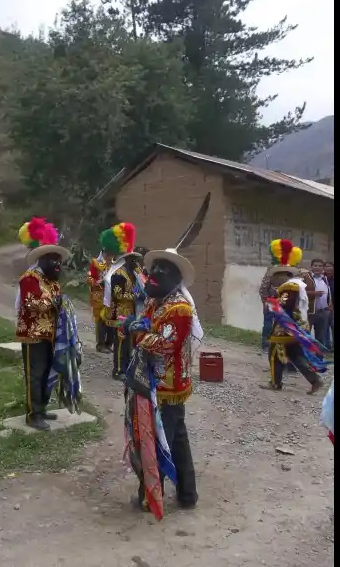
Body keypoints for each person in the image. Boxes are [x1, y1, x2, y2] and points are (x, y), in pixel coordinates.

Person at [118, 191, 210, 521]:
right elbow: (148, 324)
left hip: (167, 386)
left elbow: (164, 344)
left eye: (159, 272)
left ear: (174, 279)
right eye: (151, 269)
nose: (151, 276)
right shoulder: (160, 302)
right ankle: (187, 494)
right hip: (159, 382)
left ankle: (150, 495)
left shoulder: (180, 308)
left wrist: (137, 331)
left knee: (158, 439)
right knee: (175, 437)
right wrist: (136, 323)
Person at [15, 217, 70, 431]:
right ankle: (32, 414)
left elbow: (59, 302)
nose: (57, 263)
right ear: (43, 259)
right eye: (53, 259)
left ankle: (42, 407)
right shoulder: (29, 278)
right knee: (35, 374)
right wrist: (53, 303)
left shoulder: (51, 281)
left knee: (48, 372)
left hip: (51, 335)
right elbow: (31, 304)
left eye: (59, 259)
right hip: (33, 335)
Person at [266, 275, 328, 394]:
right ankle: (315, 380)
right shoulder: (299, 287)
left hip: (285, 329)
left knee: (274, 355)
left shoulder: (289, 287)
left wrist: (272, 300)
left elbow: (285, 303)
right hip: (296, 328)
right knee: (296, 356)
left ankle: (275, 383)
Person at [99, 223, 146, 380]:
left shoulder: (133, 273)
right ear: (127, 260)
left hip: (130, 313)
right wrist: (135, 295)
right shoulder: (118, 274)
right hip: (119, 314)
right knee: (120, 342)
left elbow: (137, 289)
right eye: (133, 259)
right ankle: (118, 370)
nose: (136, 263)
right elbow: (118, 294)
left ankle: (127, 368)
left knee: (129, 343)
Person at [88, 238, 117, 354]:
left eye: (111, 254)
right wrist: (98, 282)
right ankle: (100, 345)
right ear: (103, 252)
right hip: (99, 296)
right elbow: (89, 278)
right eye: (107, 254)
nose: (109, 257)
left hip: (112, 297)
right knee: (100, 320)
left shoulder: (115, 266)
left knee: (111, 320)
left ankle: (109, 344)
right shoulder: (95, 263)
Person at [307, 259, 332, 349]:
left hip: (323, 312)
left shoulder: (324, 278)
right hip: (309, 312)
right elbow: (299, 292)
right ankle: (306, 358)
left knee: (320, 338)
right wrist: (314, 293)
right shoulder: (306, 277)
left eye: (320, 266)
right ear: (311, 267)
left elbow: (328, 292)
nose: (317, 267)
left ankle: (319, 358)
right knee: (306, 336)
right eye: (315, 265)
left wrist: (330, 304)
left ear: (323, 268)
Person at [324, 261, 334, 350]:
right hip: (324, 307)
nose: (327, 268)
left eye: (329, 266)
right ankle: (327, 346)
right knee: (325, 327)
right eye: (326, 266)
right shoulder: (322, 278)